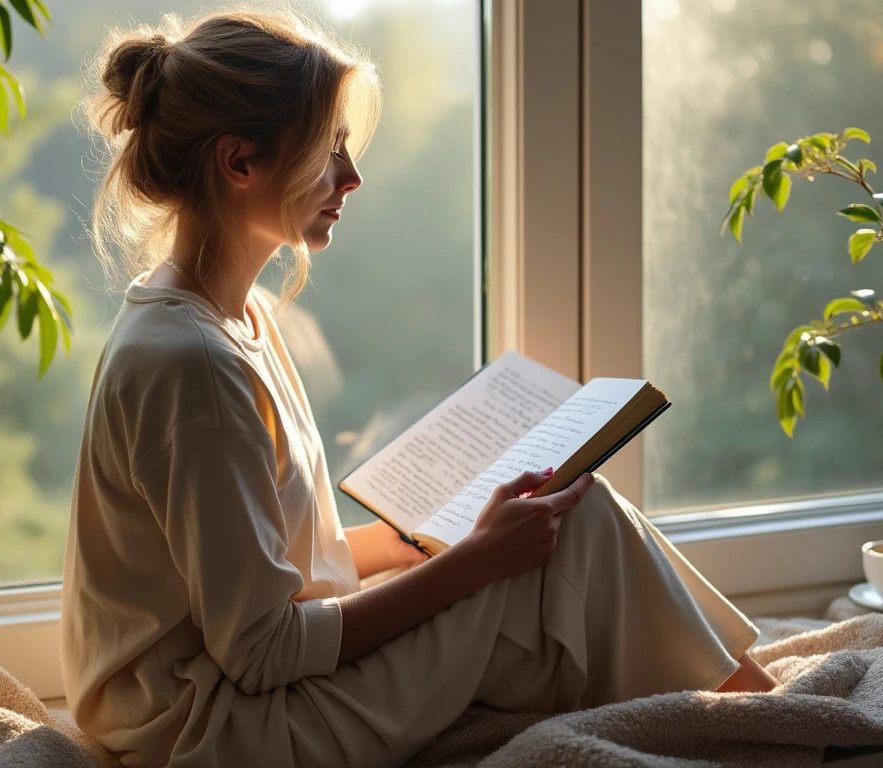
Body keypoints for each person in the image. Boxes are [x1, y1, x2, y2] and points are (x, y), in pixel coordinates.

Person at [61, 9, 778, 768]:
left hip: (233, 695)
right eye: (328, 148)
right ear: (239, 162)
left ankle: (749, 703)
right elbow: (262, 652)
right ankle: (767, 717)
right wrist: (469, 562)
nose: (351, 175)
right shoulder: (192, 365)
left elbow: (286, 566)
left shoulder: (237, 318)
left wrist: (430, 537)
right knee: (579, 521)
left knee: (555, 523)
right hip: (220, 732)